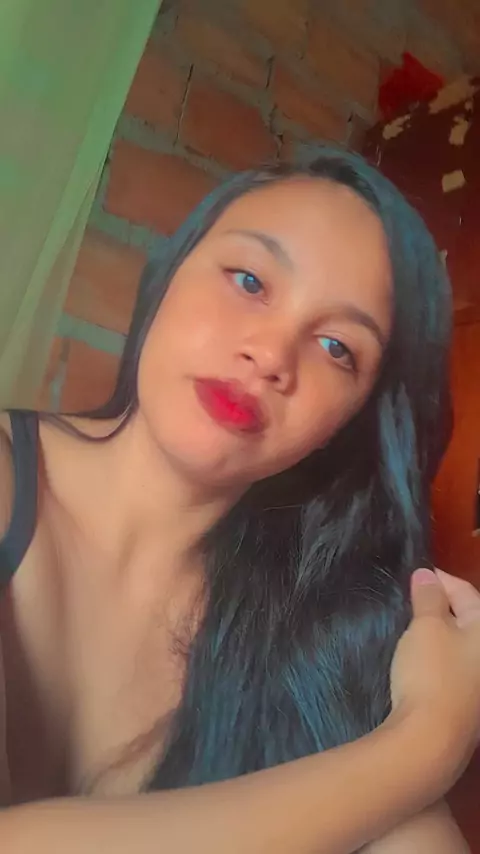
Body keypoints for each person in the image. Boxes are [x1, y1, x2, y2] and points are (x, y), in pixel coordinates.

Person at [0, 148, 479, 853]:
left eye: (336, 347)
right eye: (250, 281)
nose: (272, 355)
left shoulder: (314, 631)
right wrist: (427, 742)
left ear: (349, 424)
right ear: (170, 274)